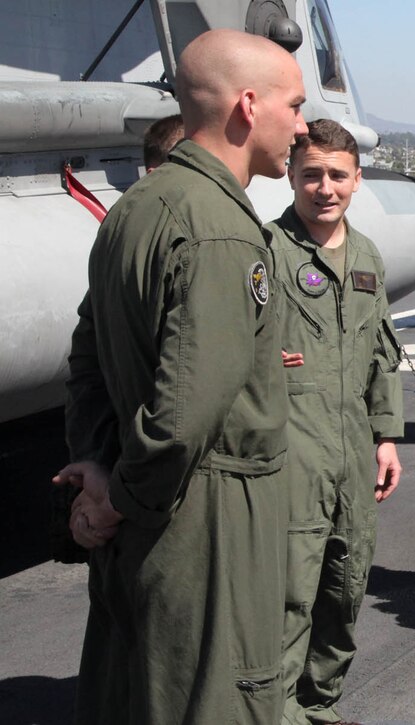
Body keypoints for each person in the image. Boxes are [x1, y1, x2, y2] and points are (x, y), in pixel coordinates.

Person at [55, 28, 307, 724]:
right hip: (205, 520)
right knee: (221, 698)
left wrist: (98, 465)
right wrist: (118, 497)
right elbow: (186, 411)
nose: (304, 125)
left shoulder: (133, 212)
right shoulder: (219, 228)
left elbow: (87, 360)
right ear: (249, 107)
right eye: (295, 105)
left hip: (145, 515)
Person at [269, 119, 404, 725]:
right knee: (291, 592)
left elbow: (382, 353)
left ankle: (321, 706)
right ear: (293, 176)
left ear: (357, 179)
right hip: (291, 448)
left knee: (347, 586)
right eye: (312, 175)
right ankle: (277, 711)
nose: (325, 188)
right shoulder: (266, 250)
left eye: (338, 175)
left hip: (353, 447)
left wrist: (388, 437)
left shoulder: (368, 254)